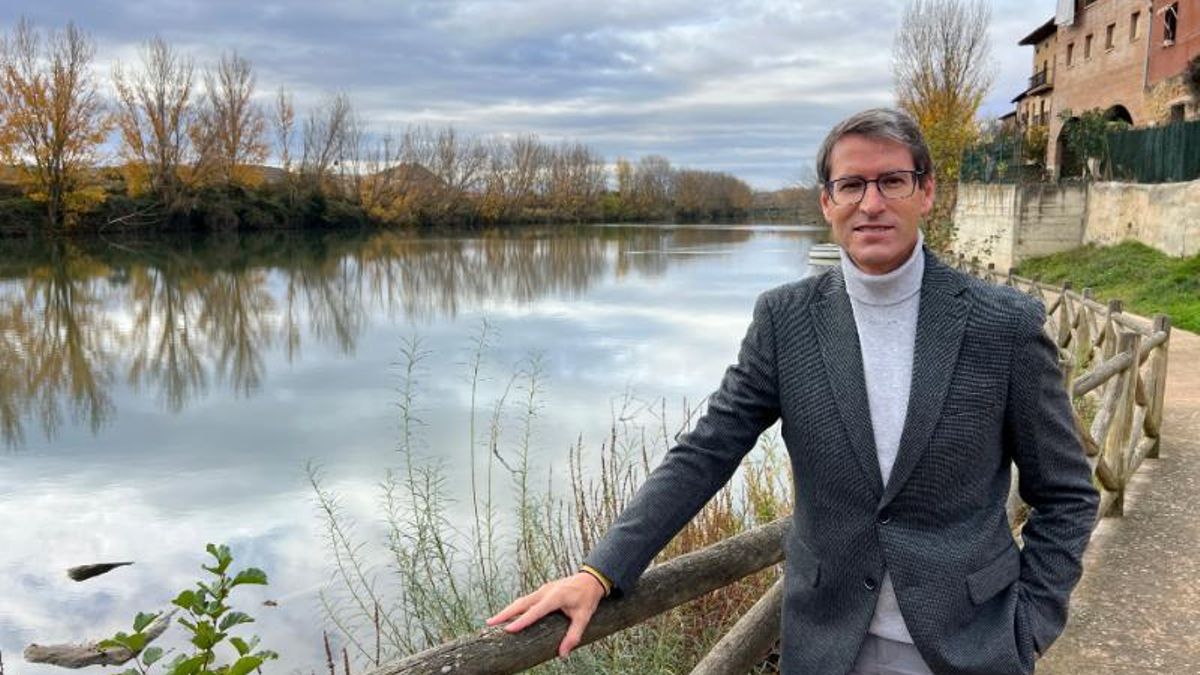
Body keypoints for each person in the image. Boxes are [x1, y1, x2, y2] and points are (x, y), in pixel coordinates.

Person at [487, 108, 1099, 675]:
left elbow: (1067, 494)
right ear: (826, 202)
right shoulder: (787, 321)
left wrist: (1030, 624)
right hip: (827, 644)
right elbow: (706, 451)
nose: (871, 203)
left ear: (927, 192)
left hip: (971, 645)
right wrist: (601, 570)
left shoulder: (1004, 325)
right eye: (852, 185)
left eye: (892, 181)